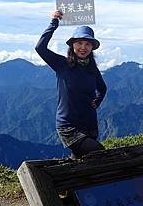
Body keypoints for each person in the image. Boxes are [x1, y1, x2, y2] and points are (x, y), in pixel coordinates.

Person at [35, 10, 107, 159]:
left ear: (92, 47)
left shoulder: (92, 69)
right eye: (79, 43)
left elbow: (102, 88)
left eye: (87, 44)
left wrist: (98, 100)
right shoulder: (62, 64)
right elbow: (40, 48)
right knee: (99, 153)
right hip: (68, 126)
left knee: (81, 162)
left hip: (89, 125)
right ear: (72, 45)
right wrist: (54, 22)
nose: (83, 47)